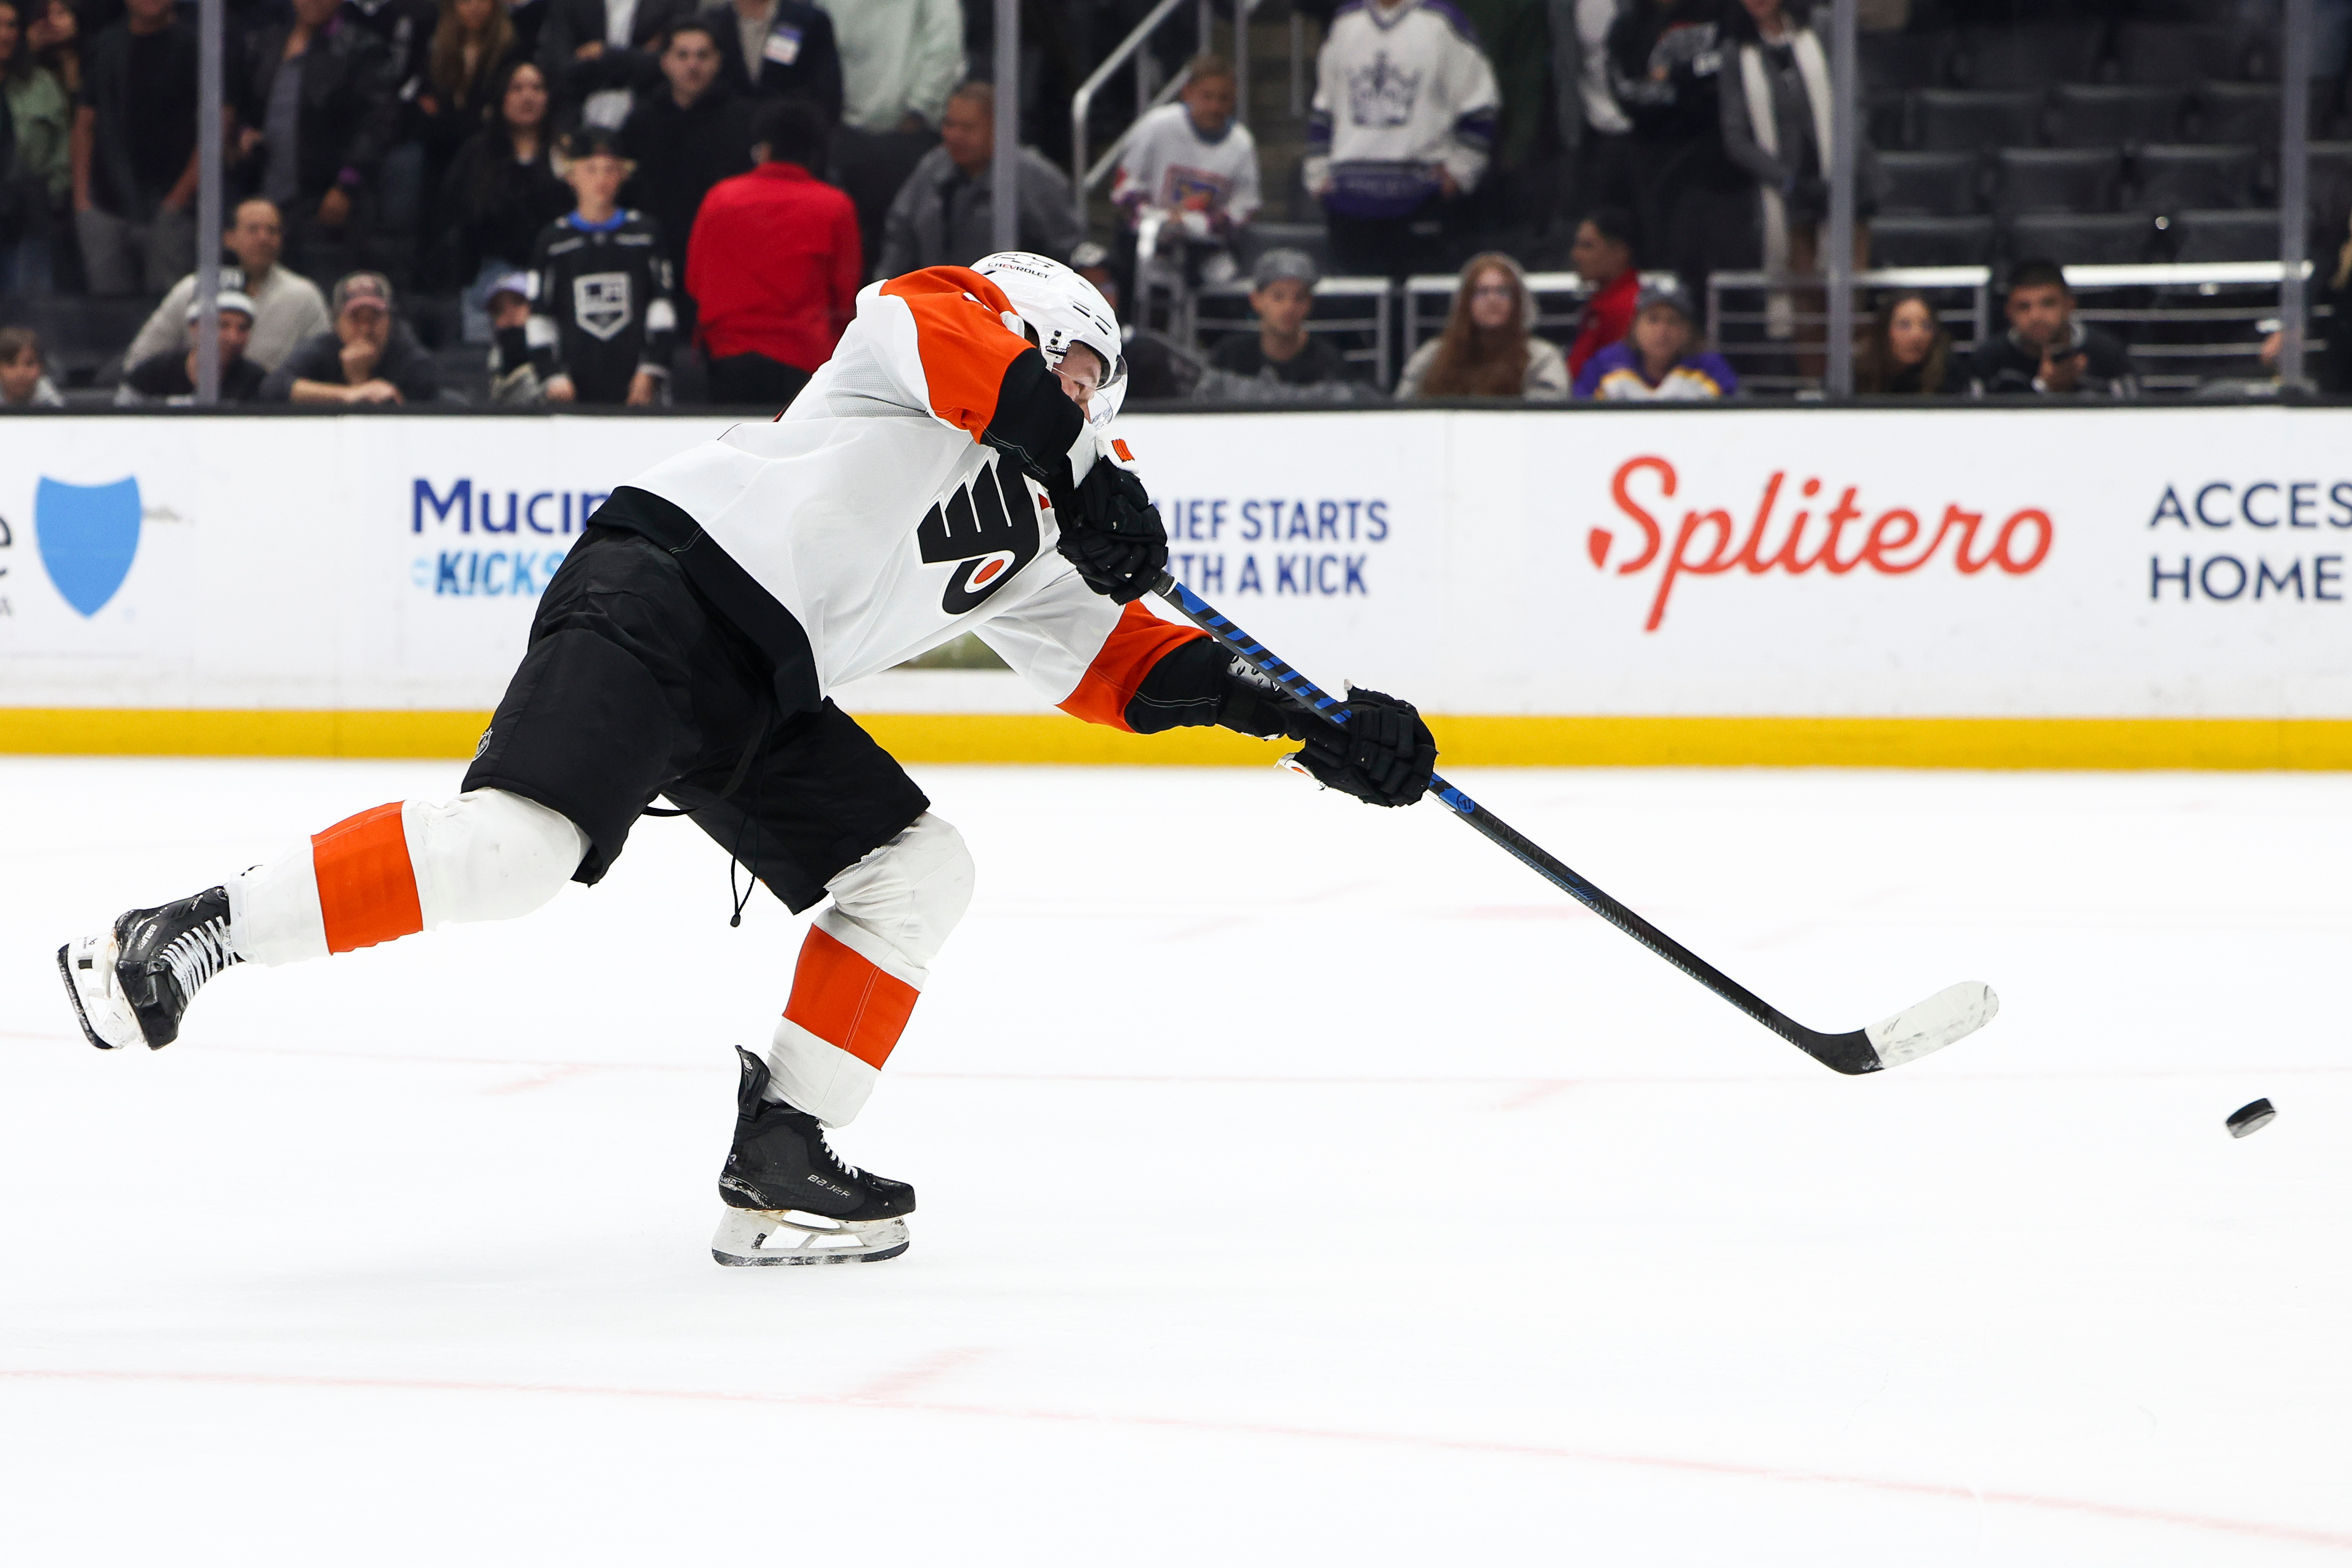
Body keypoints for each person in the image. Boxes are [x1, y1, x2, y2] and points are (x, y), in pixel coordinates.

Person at [55, 249, 1441, 1272]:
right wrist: (1079, 462)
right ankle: (175, 938)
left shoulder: (1041, 520)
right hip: (672, 587)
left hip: (764, 694)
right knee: (511, 856)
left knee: (920, 870)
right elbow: (968, 361)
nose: (1083, 401)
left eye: (1097, 392)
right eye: (1074, 372)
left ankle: (782, 1152)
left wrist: (1312, 725)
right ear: (1034, 331)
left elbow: (1125, 668)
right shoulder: (927, 330)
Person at [1305, 0, 1499, 278]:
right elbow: (1325, 107)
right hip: (1349, 204)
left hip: (1422, 199)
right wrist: (1318, 175)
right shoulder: (1345, 23)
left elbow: (1480, 104)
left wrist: (1460, 171)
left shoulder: (1444, 22)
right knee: (1359, 310)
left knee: (1420, 310)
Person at [686, 97, 857, 404]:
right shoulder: (834, 207)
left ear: (763, 149)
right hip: (805, 362)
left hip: (728, 357)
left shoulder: (720, 199)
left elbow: (695, 281)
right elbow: (845, 297)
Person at [234, 0, 401, 285]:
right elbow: (243, 105)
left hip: (325, 198)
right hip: (266, 193)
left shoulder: (363, 48)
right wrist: (244, 133)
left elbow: (378, 124)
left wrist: (346, 184)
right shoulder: (266, 42)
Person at [1606, 0, 1739, 321]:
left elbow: (1732, 66)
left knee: (1726, 274)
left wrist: (1676, 77)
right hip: (1656, 167)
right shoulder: (1628, 27)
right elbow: (1629, 94)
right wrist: (1694, 92)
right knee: (1670, 268)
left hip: (1726, 168)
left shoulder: (1725, 14)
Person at [526, 126, 673, 404]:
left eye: (610, 170)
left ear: (623, 174)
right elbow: (539, 314)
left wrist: (651, 370)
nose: (601, 179)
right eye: (590, 170)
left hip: (635, 385)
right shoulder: (554, 241)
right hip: (574, 387)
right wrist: (553, 375)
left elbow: (662, 305)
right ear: (571, 176)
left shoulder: (644, 234)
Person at [877, 81, 1081, 277]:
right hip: (938, 301)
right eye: (949, 124)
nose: (954, 136)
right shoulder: (933, 167)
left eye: (967, 128)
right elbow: (900, 235)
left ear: (999, 130)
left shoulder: (1037, 179)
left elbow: (1066, 250)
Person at [432, 56, 574, 338]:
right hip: (488, 273)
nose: (528, 97)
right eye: (517, 88)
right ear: (501, 97)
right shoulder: (475, 155)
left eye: (537, 88)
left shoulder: (568, 154)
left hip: (555, 271)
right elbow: (454, 217)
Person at [816, 0, 960, 272]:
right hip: (846, 135)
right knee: (851, 244)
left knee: (908, 241)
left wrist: (921, 108)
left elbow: (945, 46)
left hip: (908, 136)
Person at [70, 0, 200, 295]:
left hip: (171, 207)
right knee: (108, 314)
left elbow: (214, 130)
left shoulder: (194, 48)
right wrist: (82, 202)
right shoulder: (105, 45)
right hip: (104, 208)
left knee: (170, 306)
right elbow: (84, 123)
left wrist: (178, 199)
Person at [122, 198, 334, 375]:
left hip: (270, 413)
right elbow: (139, 360)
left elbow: (326, 368)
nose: (264, 238)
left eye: (273, 231)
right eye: (253, 229)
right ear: (229, 238)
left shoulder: (305, 296)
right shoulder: (194, 289)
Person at [1111, 52, 1260, 289]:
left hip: (1207, 250)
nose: (1215, 106)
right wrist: (1157, 218)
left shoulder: (1241, 143)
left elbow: (1246, 206)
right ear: (1187, 92)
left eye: (1224, 99)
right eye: (1207, 97)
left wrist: (1205, 222)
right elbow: (1124, 187)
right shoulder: (1157, 126)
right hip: (1148, 241)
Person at [617, 18, 753, 275]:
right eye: (683, 55)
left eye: (703, 56)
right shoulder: (642, 121)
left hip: (726, 250)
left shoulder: (742, 119)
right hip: (658, 251)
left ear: (718, 62)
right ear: (665, 62)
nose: (693, 65)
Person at [1397, 251, 1570, 399]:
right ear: (1465, 302)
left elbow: (1546, 419)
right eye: (1482, 292)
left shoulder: (1542, 359)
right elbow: (1402, 411)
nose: (1492, 300)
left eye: (1503, 292)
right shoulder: (1432, 356)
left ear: (1518, 301)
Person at [261, 270, 443, 403]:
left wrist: (360, 379)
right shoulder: (323, 348)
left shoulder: (411, 359)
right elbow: (274, 387)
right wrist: (348, 394)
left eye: (374, 318)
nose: (365, 329)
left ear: (390, 321)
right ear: (337, 323)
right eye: (355, 318)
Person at [1967, 259, 2136, 400]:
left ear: (2070, 305)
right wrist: (2044, 388)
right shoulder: (1989, 359)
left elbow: (2139, 416)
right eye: (2024, 307)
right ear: (2009, 312)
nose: (2036, 316)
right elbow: (1971, 425)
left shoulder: (2106, 353)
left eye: (2048, 304)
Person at [417, 0, 522, 206]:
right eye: (465, 1)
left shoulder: (511, 49)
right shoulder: (437, 46)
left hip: (487, 145)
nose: (474, 7)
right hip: (440, 146)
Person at [0, 0, 71, 297]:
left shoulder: (42, 85)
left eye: (11, 25)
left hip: (32, 217)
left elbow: (63, 151)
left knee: (33, 313)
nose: (5, 34)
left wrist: (51, 195)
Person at [1208, 247, 1354, 389]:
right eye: (1278, 297)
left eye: (1299, 298)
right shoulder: (1228, 357)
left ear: (1310, 303)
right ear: (1256, 300)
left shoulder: (1330, 362)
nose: (1289, 308)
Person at [1070, 237, 1196, 402]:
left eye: (1105, 287)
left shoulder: (1147, 355)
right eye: (1087, 287)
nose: (1098, 296)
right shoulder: (1050, 352)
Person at [535, 0, 695, 128]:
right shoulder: (570, 4)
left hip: (651, 121)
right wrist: (637, 57)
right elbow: (557, 65)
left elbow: (671, 64)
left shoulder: (674, 4)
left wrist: (606, 54)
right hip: (576, 118)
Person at [1572, 283, 1737, 398]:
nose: (1662, 331)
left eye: (1673, 321)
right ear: (1635, 326)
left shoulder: (1710, 370)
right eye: (1653, 320)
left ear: (1688, 331)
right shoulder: (1605, 366)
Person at [115, 290, 271, 404]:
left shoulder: (256, 381)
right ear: (195, 327)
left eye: (243, 329)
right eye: (222, 326)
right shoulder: (151, 375)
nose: (233, 338)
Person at [705, 0, 841, 121]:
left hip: (790, 135)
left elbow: (827, 91)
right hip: (727, 133)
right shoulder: (712, 23)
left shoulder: (807, 20)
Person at [1564, 204, 1637, 379]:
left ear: (1619, 253)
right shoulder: (1603, 302)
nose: (1576, 255)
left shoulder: (1627, 307)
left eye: (1587, 246)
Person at [1854, 288, 1950, 395]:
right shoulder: (1857, 377)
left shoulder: (1948, 377)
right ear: (1885, 331)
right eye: (1904, 325)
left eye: (1926, 326)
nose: (1916, 336)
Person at [480, 268, 546, 400]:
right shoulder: (491, 367)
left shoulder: (555, 365)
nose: (510, 314)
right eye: (499, 309)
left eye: (518, 303)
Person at [0, 324, 63, 405]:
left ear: (41, 367)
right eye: (11, 364)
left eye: (29, 364)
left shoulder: (53, 404)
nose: (21, 373)